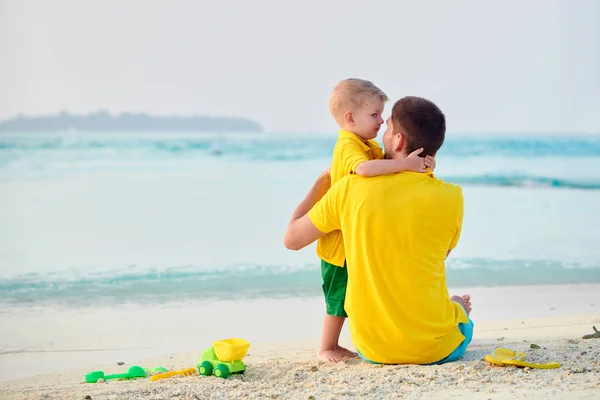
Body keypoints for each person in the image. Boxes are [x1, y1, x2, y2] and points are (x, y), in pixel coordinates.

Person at [284, 96, 473, 365]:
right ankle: (457, 307)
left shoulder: (349, 189)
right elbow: (434, 256)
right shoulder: (452, 197)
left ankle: (455, 306)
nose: (381, 129)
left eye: (387, 128)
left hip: (373, 350)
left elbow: (292, 240)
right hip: (438, 349)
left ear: (397, 141)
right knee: (460, 312)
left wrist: (320, 183)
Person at [315, 79, 435, 362]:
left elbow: (386, 167)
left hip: (356, 236)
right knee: (338, 296)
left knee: (352, 293)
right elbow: (367, 170)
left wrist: (419, 167)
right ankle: (326, 347)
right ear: (350, 118)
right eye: (375, 115)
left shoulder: (364, 143)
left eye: (382, 115)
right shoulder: (348, 146)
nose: (381, 121)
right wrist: (405, 164)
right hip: (339, 242)